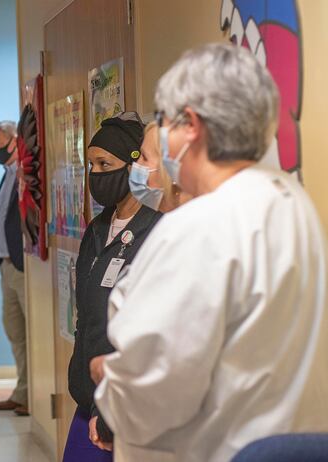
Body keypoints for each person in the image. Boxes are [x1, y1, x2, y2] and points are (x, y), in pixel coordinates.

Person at [94, 43, 328, 462]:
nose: (161, 137)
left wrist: (109, 378)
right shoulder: (292, 201)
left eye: (163, 122)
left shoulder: (199, 228)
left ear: (192, 127)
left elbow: (153, 391)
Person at [63, 114, 163, 461]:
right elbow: (87, 314)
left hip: (127, 403)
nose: (96, 174)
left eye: (105, 163)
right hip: (88, 396)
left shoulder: (158, 229)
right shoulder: (97, 227)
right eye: (91, 164)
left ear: (135, 165)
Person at [0, 120, 29, 416]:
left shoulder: (28, 172)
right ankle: (23, 391)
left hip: (23, 265)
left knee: (30, 330)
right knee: (15, 331)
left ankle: (32, 396)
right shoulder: (7, 174)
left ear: (15, 140)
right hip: (5, 264)